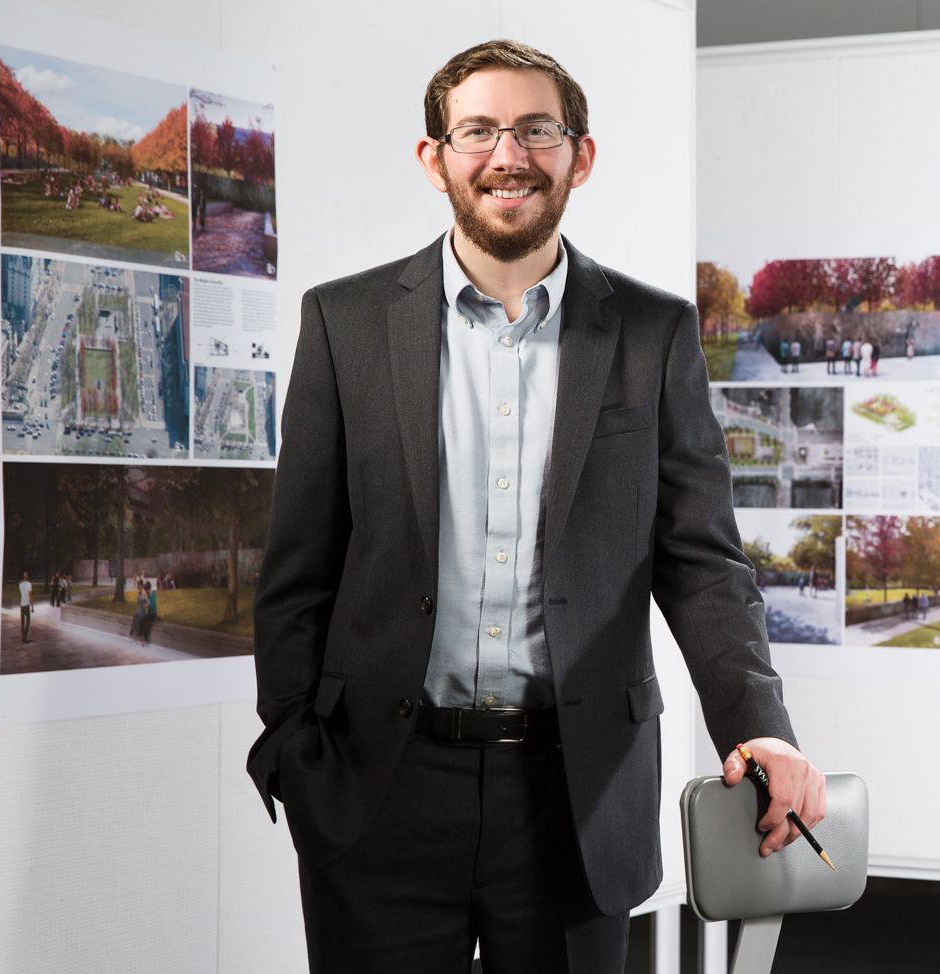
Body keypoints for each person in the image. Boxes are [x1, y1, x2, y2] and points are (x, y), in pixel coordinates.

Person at [246, 41, 823, 973]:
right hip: (379, 794)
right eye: (477, 130)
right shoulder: (343, 325)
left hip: (576, 795)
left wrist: (757, 725)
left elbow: (703, 562)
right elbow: (297, 568)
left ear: (578, 157)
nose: (507, 153)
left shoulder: (653, 332)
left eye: (536, 129)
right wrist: (294, 749)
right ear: (435, 158)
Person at [18, 571, 34, 643]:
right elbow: (30, 596)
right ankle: (25, 637)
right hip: (27, 605)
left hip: (22, 605)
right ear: (27, 576)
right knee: (27, 621)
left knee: (22, 622)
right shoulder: (29, 584)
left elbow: (21, 595)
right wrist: (32, 607)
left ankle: (22, 637)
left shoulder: (20, 584)